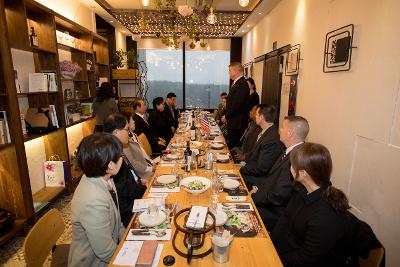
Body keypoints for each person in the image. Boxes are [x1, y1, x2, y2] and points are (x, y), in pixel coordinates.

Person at [270, 143, 354, 267]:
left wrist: (272, 258)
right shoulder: (302, 191)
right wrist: (269, 246)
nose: (290, 168)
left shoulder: (325, 214)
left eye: (292, 165)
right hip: (287, 252)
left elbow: (305, 260)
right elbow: (284, 221)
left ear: (303, 174)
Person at [68, 133, 125, 267]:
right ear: (110, 165)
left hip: (110, 247)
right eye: (120, 156)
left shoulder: (105, 178)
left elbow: (118, 222)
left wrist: (129, 240)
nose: (122, 158)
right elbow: (106, 252)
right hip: (94, 262)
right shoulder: (92, 200)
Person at [250, 116, 309, 230]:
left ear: (290, 133)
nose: (279, 130)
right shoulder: (291, 150)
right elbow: (271, 178)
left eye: (282, 127)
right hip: (269, 197)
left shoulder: (297, 158)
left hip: (278, 212)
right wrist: (258, 189)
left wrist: (254, 196)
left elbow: (279, 195)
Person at [103, 113, 147, 227]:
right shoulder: (110, 155)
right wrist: (145, 189)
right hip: (127, 209)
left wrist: (140, 182)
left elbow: (128, 178)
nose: (129, 133)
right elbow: (124, 189)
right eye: (127, 129)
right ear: (116, 132)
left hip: (131, 196)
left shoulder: (115, 148)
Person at [239, 105, 283, 182]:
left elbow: (262, 169)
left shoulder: (271, 139)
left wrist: (240, 168)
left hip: (259, 179)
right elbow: (254, 153)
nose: (255, 116)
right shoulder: (265, 131)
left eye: (256, 114)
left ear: (261, 117)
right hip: (251, 168)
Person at [121, 111, 155, 180]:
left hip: (148, 166)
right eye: (132, 120)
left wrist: (151, 163)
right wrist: (150, 168)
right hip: (144, 175)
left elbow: (142, 155)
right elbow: (133, 163)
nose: (134, 121)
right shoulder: (125, 142)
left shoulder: (133, 135)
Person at [224, 62, 250, 149]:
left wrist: (226, 116)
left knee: (233, 146)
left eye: (230, 70)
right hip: (234, 122)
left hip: (237, 123)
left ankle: (231, 163)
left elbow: (236, 105)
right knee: (231, 144)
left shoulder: (242, 84)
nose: (228, 73)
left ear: (235, 71)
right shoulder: (237, 83)